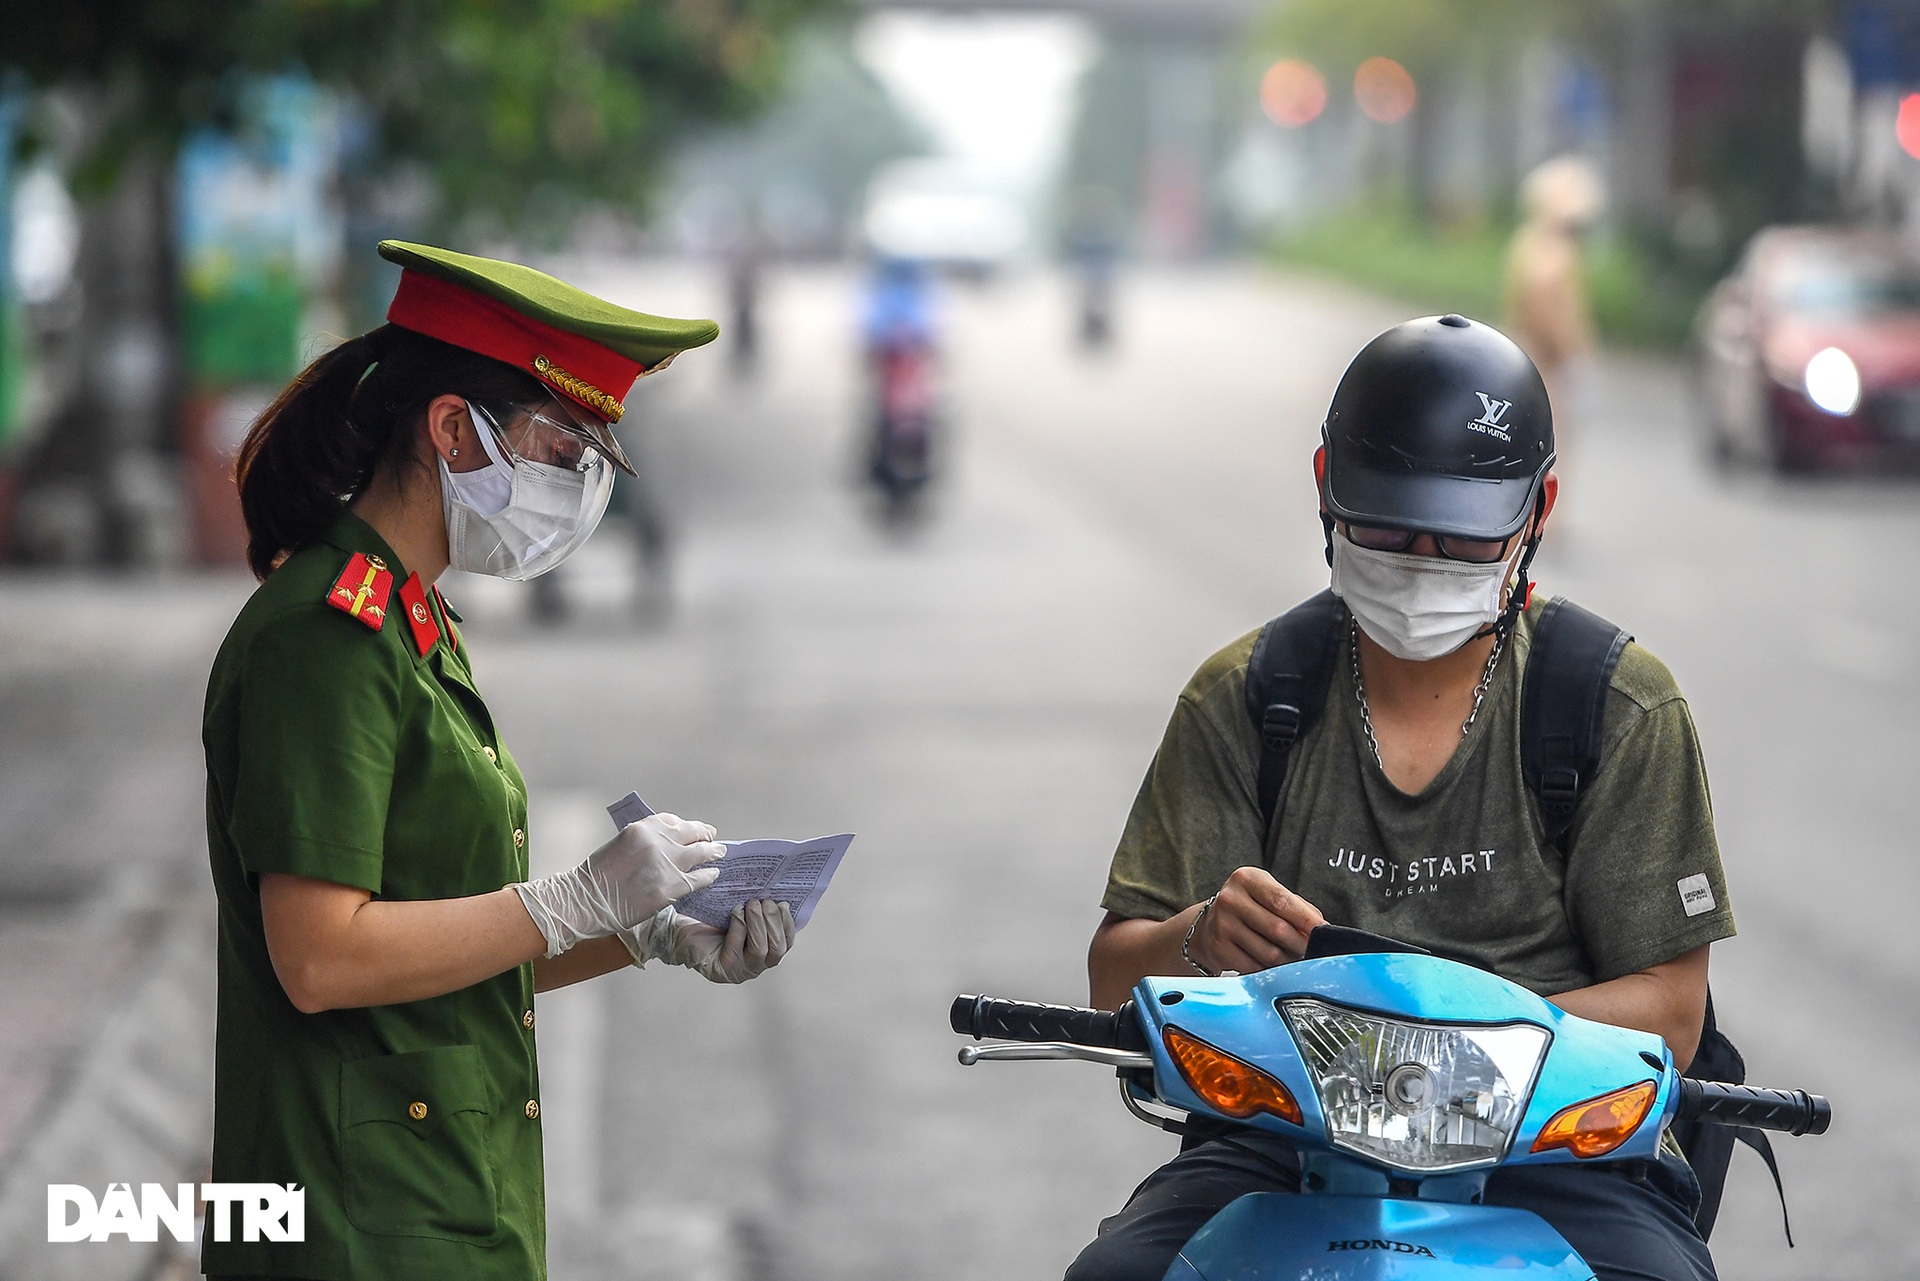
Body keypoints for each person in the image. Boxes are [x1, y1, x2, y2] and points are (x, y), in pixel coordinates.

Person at [1068, 315, 1735, 1281]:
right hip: (1281, 1149)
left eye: (1461, 539)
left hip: (1559, 1148)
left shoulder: (1617, 707)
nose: (1420, 559)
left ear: (1536, 509)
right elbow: (1108, 981)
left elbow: (1672, 1010)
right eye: (1385, 525)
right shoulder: (1248, 698)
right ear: (1325, 489)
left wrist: (1427, 1059)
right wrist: (1200, 935)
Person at [202, 240, 798, 1280]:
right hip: (353, 1228)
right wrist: (573, 898)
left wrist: (643, 932)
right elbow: (320, 959)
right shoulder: (325, 639)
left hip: (449, 1201)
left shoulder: (414, 618)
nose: (575, 489)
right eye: (561, 451)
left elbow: (448, 941)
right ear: (451, 432)